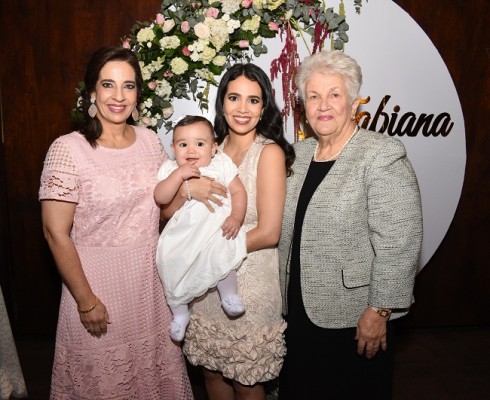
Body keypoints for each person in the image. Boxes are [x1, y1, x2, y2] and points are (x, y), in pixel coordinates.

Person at [39, 46, 194, 399]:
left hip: (150, 289)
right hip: (96, 287)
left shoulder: (151, 142)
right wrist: (85, 300)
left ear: (138, 93)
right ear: (92, 92)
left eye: (129, 86)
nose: (119, 96)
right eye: (108, 85)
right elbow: (54, 232)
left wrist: (193, 190)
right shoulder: (68, 149)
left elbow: (162, 212)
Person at [277, 50, 423, 399]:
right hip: (297, 310)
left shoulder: (380, 154)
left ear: (353, 102)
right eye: (313, 96)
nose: (323, 105)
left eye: (334, 94)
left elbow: (400, 242)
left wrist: (379, 310)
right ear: (303, 106)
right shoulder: (296, 156)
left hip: (353, 319)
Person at [164, 63, 295, 399]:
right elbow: (168, 213)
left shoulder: (268, 153)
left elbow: (268, 233)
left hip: (247, 287)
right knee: (211, 375)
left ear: (264, 107)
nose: (242, 108)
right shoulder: (209, 149)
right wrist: (188, 192)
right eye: (234, 97)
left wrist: (207, 254)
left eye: (253, 100)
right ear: (222, 102)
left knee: (246, 380)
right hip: (205, 290)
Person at [154, 115, 248, 342]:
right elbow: (160, 197)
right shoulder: (170, 169)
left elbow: (239, 192)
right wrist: (178, 176)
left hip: (214, 230)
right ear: (173, 148)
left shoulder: (222, 163)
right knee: (168, 261)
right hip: (182, 236)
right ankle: (179, 312)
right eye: (183, 144)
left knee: (222, 252)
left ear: (214, 148)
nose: (191, 150)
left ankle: (229, 295)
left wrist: (236, 216)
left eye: (200, 143)